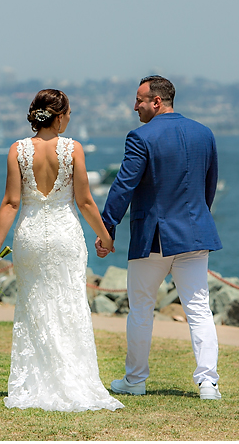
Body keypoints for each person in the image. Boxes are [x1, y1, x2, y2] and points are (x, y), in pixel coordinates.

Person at [0, 88, 123, 412]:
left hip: (30, 236)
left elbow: (11, 202)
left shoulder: (16, 149)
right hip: (64, 235)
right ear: (58, 116)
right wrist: (105, 237)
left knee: (33, 307)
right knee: (70, 304)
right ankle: (74, 378)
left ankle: (37, 382)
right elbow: (85, 201)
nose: (70, 119)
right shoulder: (72, 148)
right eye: (69, 113)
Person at [96, 75, 223, 400]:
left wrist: (106, 229)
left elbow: (124, 186)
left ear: (157, 101)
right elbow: (208, 186)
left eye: (139, 100)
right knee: (198, 308)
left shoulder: (140, 137)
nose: (134, 105)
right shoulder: (204, 133)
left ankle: (135, 381)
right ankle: (208, 384)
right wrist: (197, 221)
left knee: (140, 309)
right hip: (195, 234)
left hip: (152, 237)